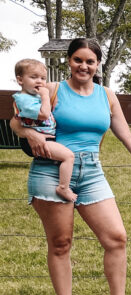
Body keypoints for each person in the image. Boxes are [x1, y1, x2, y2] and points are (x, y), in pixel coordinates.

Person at [10, 38, 131, 295]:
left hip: (91, 172)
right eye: (78, 60)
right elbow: (15, 118)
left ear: (98, 64)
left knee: (116, 238)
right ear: (69, 61)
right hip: (51, 169)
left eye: (90, 61)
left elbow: (128, 137)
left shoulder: (107, 95)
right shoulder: (52, 89)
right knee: (61, 243)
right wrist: (29, 135)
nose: (83, 66)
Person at [13, 58, 77, 201]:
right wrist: (45, 96)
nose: (40, 82)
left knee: (63, 156)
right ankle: (63, 188)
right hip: (37, 140)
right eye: (33, 77)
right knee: (68, 156)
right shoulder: (24, 99)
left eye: (43, 78)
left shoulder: (31, 97)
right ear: (20, 80)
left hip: (45, 137)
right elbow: (43, 114)